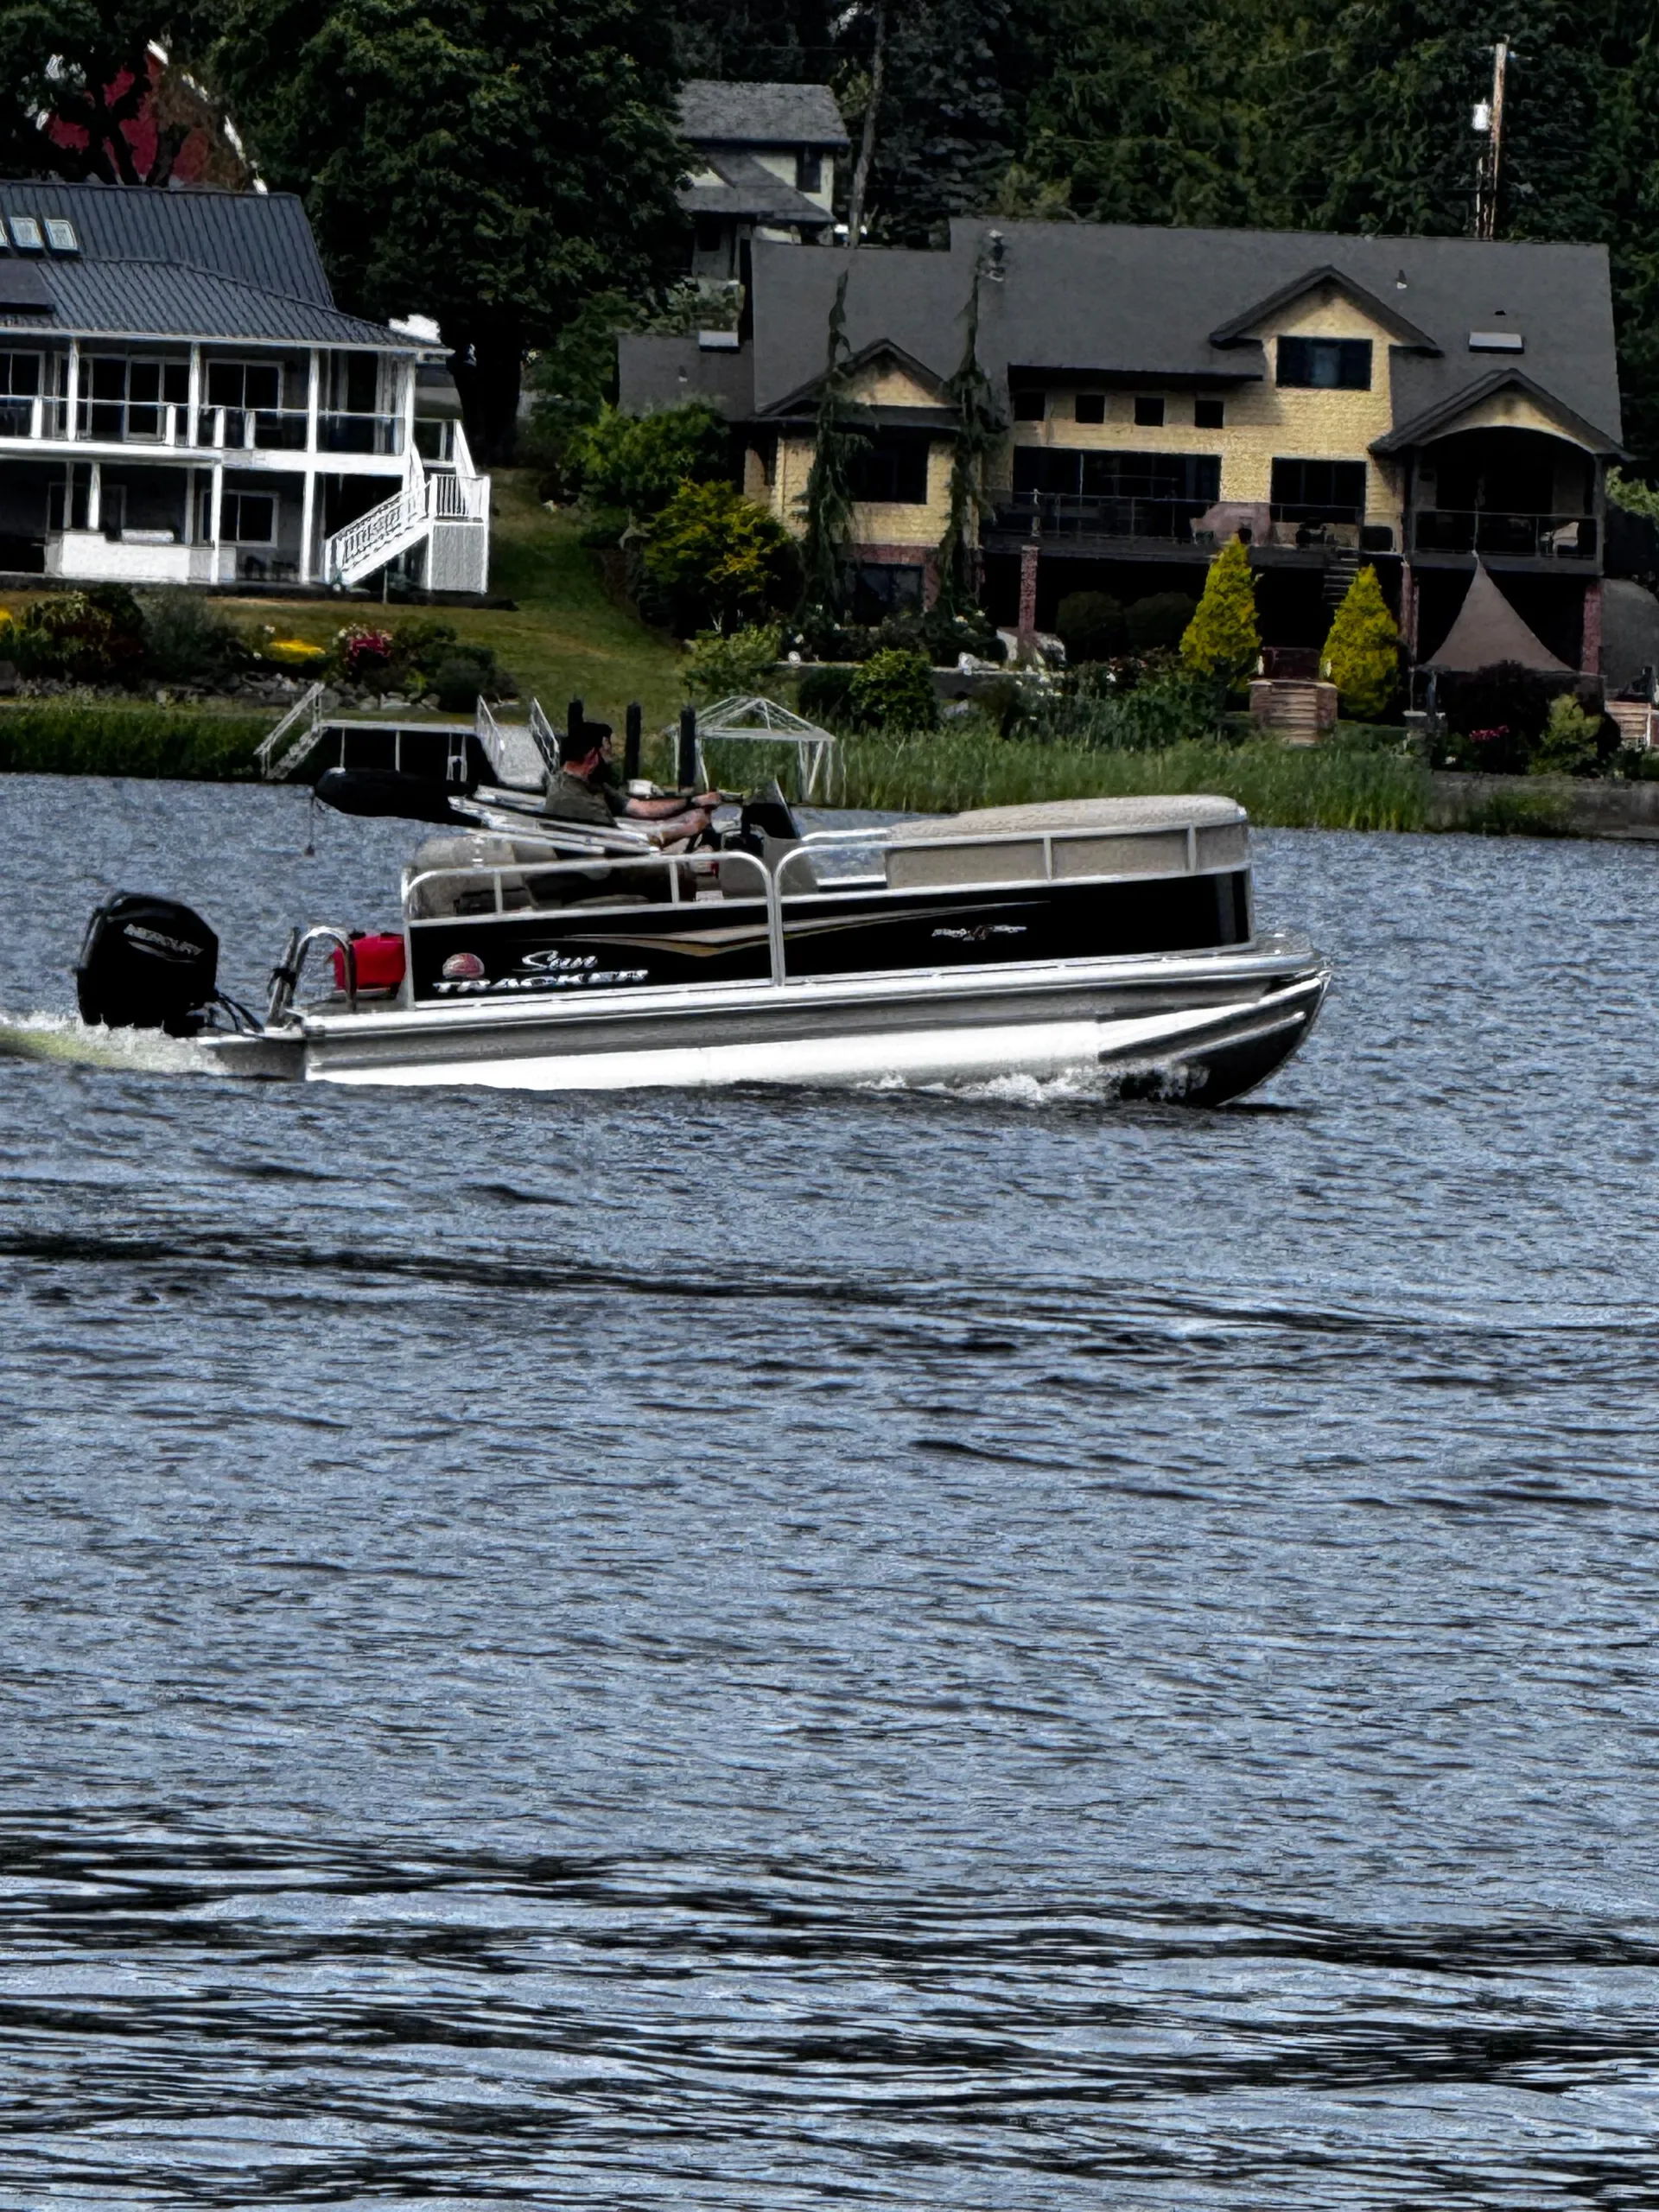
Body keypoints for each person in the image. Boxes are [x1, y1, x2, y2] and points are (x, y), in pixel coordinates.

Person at [543, 725, 720, 848]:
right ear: (592, 757)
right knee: (689, 868)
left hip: (603, 856)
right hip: (605, 873)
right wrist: (685, 828)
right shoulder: (577, 801)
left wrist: (694, 802)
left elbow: (642, 809)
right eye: (607, 751)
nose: (612, 759)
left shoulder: (584, 784)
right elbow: (628, 845)